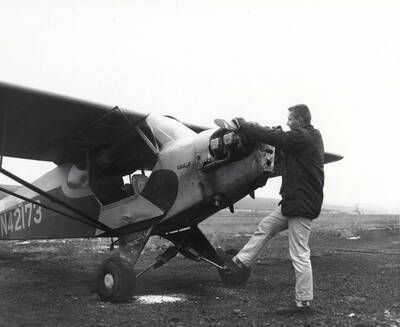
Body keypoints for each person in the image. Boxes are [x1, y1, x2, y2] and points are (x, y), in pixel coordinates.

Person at [221, 104, 325, 314]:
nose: (287, 123)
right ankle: (240, 263)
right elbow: (279, 138)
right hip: (293, 202)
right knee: (265, 226)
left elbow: (280, 138)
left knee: (299, 253)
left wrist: (246, 126)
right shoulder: (305, 138)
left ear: (300, 120)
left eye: (290, 119)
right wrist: (271, 133)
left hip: (301, 205)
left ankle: (303, 302)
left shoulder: (304, 137)